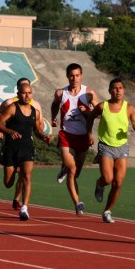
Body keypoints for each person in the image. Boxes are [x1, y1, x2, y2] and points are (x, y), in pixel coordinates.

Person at [87, 78, 135, 223]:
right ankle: (99, 184)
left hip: (122, 147)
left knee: (118, 183)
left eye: (120, 88)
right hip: (105, 146)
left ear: (124, 90)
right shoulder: (102, 106)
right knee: (108, 179)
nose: (118, 90)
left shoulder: (129, 108)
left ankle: (107, 211)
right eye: (115, 88)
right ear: (110, 90)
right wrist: (89, 134)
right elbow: (90, 118)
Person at [0, 83, 53, 220]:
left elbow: (38, 130)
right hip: (11, 148)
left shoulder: (35, 112)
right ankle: (16, 173)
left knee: (27, 176)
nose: (27, 96)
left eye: (29, 93)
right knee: (8, 183)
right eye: (24, 93)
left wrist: (44, 136)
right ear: (18, 94)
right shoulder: (12, 108)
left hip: (27, 148)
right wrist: (9, 131)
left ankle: (25, 208)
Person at [51, 63, 99, 216]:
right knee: (72, 171)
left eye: (77, 75)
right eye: (71, 76)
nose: (74, 79)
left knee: (76, 173)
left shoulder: (89, 94)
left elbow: (100, 113)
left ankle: (64, 169)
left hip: (83, 137)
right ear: (67, 76)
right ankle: (77, 203)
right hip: (66, 135)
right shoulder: (60, 93)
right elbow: (55, 105)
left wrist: (88, 111)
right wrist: (53, 118)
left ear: (81, 75)